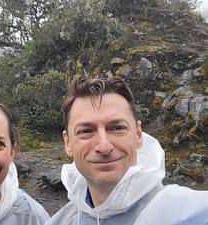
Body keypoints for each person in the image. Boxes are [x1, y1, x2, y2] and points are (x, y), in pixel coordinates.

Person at [45, 75, 208, 225]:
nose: (104, 146)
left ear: (138, 135)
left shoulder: (193, 213)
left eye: (117, 128)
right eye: (86, 131)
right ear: (68, 143)